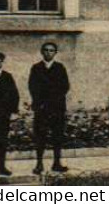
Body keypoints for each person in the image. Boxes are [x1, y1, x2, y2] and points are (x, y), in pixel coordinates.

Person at [27, 42, 69, 175]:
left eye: (51, 51)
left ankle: (57, 163)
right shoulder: (36, 68)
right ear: (41, 52)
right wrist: (40, 102)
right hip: (41, 108)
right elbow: (32, 86)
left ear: (55, 53)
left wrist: (53, 99)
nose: (48, 53)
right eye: (46, 50)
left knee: (57, 136)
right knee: (40, 136)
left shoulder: (60, 68)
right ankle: (39, 164)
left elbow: (65, 86)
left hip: (57, 108)